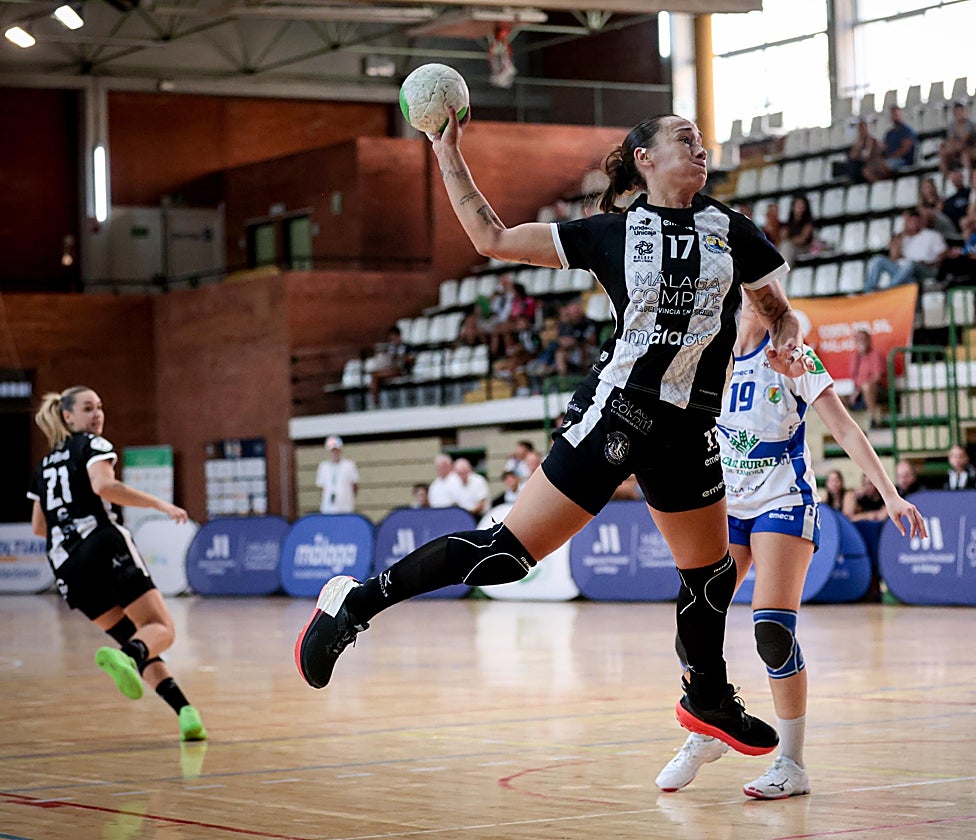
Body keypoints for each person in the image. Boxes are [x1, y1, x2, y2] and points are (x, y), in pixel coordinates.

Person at [297, 112, 816, 756]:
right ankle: (354, 603)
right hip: (619, 416)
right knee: (508, 554)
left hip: (691, 427)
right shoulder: (611, 234)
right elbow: (491, 238)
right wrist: (446, 149)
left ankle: (706, 695)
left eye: (701, 140)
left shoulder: (731, 230)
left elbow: (777, 310)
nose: (699, 146)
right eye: (684, 138)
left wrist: (788, 335)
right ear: (645, 159)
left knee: (711, 576)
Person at [655, 300, 924, 798]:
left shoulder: (795, 354)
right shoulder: (710, 355)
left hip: (782, 497)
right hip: (725, 502)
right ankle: (706, 728)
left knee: (773, 630)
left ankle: (792, 764)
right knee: (693, 625)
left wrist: (889, 493)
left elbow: (844, 426)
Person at [27, 387, 205, 742]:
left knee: (136, 638)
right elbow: (104, 486)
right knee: (161, 629)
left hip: (66, 566)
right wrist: (161, 505)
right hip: (102, 543)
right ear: (68, 417)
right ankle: (128, 656)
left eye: (100, 407)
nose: (97, 415)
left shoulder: (45, 465)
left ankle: (186, 713)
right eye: (88, 408)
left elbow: (38, 526)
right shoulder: (93, 445)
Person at [863, 209, 946, 292]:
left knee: (910, 264)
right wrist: (901, 236)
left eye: (914, 220)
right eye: (909, 221)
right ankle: (869, 291)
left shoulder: (932, 235)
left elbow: (942, 255)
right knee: (878, 260)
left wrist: (928, 263)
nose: (912, 223)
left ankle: (890, 289)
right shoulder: (902, 238)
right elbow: (894, 258)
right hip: (906, 273)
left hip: (925, 269)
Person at [844, 329, 888, 429]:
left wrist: (859, 390)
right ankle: (847, 427)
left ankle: (874, 419)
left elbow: (877, 377)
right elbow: (854, 378)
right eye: (858, 339)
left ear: (869, 340)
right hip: (859, 392)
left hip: (878, 390)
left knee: (867, 387)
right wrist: (856, 392)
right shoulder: (854, 356)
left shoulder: (875, 354)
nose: (861, 342)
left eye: (863, 339)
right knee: (836, 397)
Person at [315, 435, 358, 514]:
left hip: (345, 508)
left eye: (337, 450)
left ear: (340, 450)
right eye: (332, 450)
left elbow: (354, 486)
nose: (335, 453)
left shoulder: (349, 465)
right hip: (328, 508)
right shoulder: (323, 466)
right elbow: (321, 488)